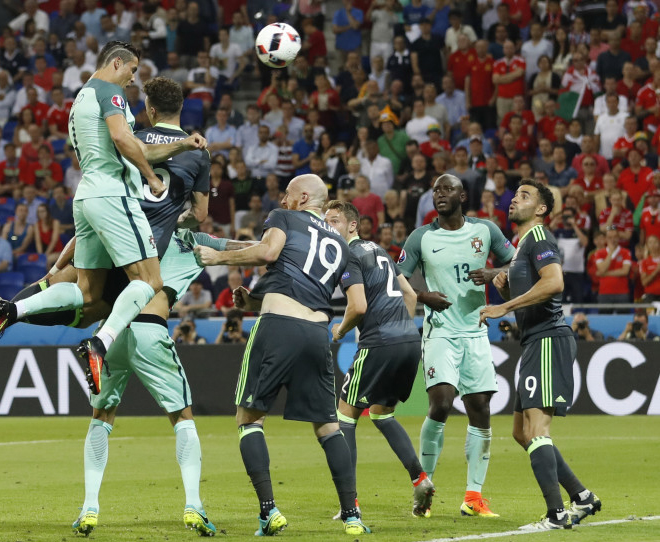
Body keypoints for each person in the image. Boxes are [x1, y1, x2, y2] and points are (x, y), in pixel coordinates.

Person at [0, 76, 225, 536]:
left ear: (145, 108)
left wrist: (52, 269)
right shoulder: (196, 152)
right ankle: (193, 505)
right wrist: (180, 207)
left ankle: (88, 508)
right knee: (180, 413)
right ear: (182, 107)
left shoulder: (129, 139)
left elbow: (91, 222)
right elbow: (199, 216)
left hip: (105, 242)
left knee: (83, 301)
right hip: (143, 315)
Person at [0, 58, 205, 397]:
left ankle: (10, 310)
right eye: (132, 69)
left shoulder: (111, 119)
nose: (131, 77)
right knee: (131, 292)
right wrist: (174, 197)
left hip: (94, 206)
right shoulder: (188, 150)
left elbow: (133, 151)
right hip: (130, 232)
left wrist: (61, 258)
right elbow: (199, 212)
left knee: (73, 289)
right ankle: (99, 342)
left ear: (150, 110)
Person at [193, 174, 369, 536]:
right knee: (328, 426)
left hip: (277, 329)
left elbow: (268, 252)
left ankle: (269, 511)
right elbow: (307, 281)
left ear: (303, 197)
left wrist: (218, 257)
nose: (283, 200)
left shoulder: (285, 217)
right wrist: (254, 300)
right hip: (317, 334)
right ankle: (352, 516)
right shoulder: (341, 243)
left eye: (288, 195)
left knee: (249, 419)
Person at [480, 180, 601, 530]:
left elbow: (554, 282)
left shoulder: (540, 238)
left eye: (525, 196)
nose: (515, 199)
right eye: (515, 194)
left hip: (549, 340)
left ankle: (555, 515)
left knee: (537, 429)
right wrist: (509, 287)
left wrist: (505, 304)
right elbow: (536, 287)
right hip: (534, 341)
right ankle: (581, 496)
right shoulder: (521, 247)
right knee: (521, 432)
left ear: (542, 210)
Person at [396, 173, 515, 517]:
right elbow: (395, 276)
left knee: (480, 408)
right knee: (442, 403)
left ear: (462, 196)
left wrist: (494, 274)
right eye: (435, 190)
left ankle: (473, 497)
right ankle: (425, 488)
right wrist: (422, 295)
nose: (439, 194)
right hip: (441, 331)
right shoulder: (422, 237)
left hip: (476, 332)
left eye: (447, 189)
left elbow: (516, 262)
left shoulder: (485, 231)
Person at [324, 200, 434, 518]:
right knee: (381, 412)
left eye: (334, 221)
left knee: (344, 416)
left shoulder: (349, 255)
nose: (328, 227)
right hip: (409, 340)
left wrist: (339, 330)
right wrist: (402, 330)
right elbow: (411, 295)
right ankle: (420, 478)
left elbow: (357, 307)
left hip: (379, 343)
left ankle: (350, 504)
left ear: (352, 226)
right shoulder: (380, 251)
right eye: (325, 222)